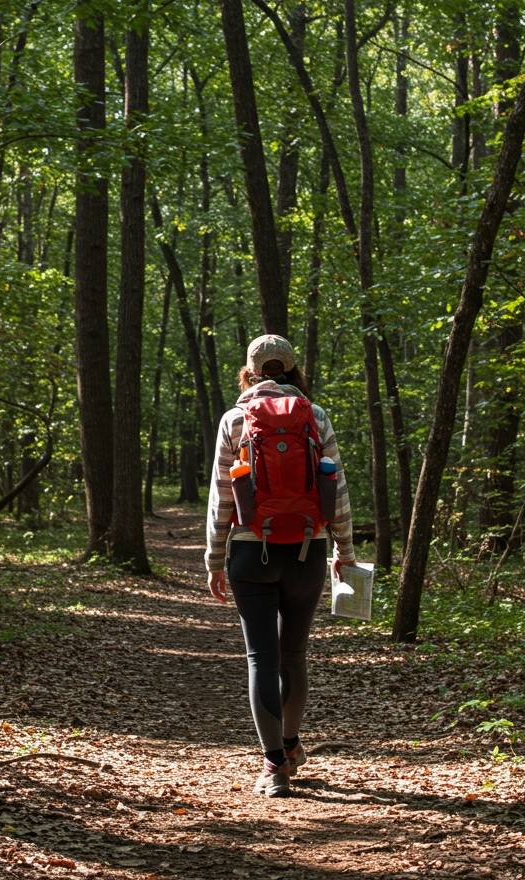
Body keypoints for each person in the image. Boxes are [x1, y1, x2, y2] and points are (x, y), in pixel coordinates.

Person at [205, 334, 355, 797]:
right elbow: (338, 488)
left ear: (250, 371)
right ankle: (291, 746)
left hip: (251, 551)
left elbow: (221, 497)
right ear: (292, 370)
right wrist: (343, 551)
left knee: (260, 657)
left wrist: (214, 559)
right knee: (293, 655)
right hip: (307, 550)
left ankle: (273, 768)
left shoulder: (235, 419)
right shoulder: (316, 416)